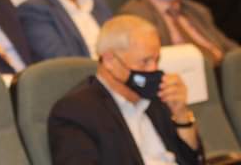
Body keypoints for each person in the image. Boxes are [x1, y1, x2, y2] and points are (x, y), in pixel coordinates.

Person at [48, 15, 204, 164]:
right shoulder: (75, 111)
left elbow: (193, 159)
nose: (153, 69)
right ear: (110, 60)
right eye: (145, 61)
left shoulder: (156, 96)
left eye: (156, 60)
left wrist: (181, 113)